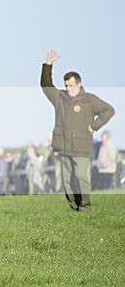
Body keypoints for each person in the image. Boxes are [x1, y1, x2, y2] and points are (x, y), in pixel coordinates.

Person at [41, 49, 115, 210]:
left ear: (79, 84)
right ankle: (74, 207)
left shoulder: (90, 100)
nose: (68, 88)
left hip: (81, 147)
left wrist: (94, 125)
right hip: (64, 146)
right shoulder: (59, 98)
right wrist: (48, 65)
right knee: (67, 180)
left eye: (71, 85)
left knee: (81, 176)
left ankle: (85, 206)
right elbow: (46, 86)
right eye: (66, 85)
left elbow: (109, 110)